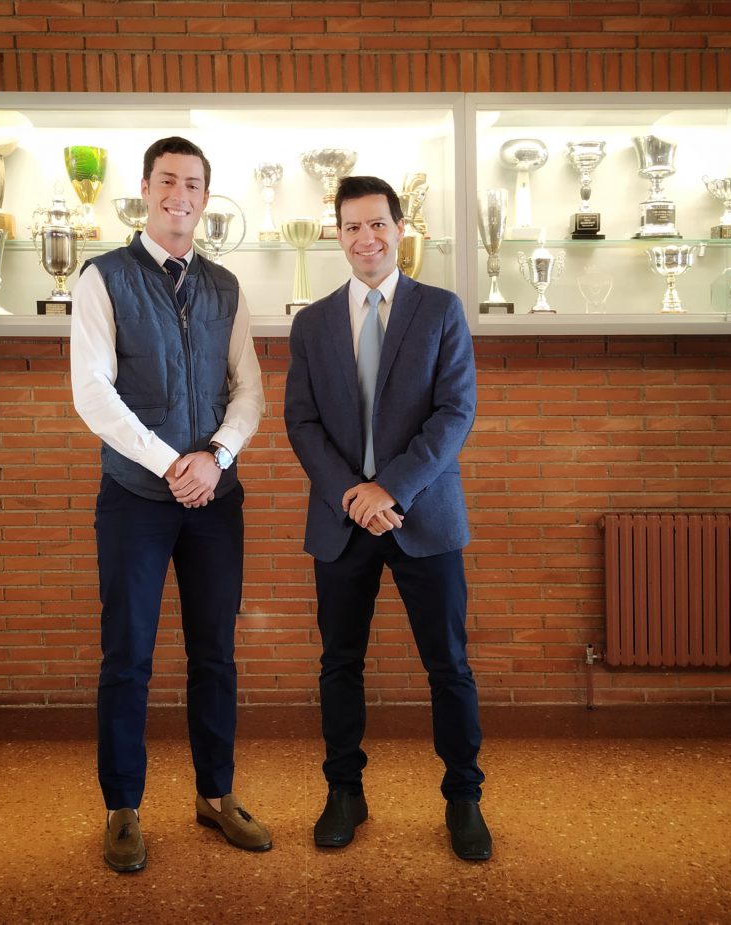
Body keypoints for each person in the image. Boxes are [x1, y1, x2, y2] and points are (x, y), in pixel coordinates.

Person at [70, 136, 271, 873]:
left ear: (205, 198)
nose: (179, 194)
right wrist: (171, 463)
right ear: (146, 190)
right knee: (128, 655)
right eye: (166, 181)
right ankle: (122, 807)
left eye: (192, 183)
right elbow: (92, 392)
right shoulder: (103, 277)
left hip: (216, 497)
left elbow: (249, 388)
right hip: (135, 498)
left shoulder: (225, 286)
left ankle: (216, 795)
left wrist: (216, 456)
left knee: (215, 653)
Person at [284, 175, 491, 861]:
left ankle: (464, 796)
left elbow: (455, 412)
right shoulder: (312, 323)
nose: (365, 238)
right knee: (339, 663)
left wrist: (390, 490)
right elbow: (302, 421)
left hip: (423, 517)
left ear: (400, 229)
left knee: (449, 664)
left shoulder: (440, 310)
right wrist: (354, 493)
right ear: (338, 235)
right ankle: (345, 791)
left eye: (377, 224)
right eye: (352, 226)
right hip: (342, 520)